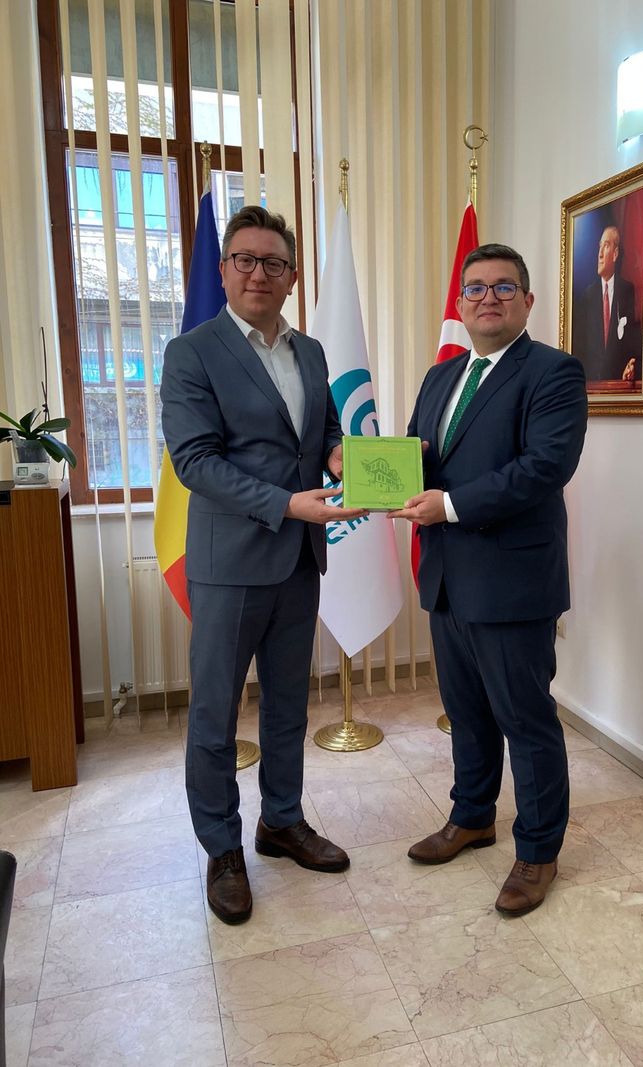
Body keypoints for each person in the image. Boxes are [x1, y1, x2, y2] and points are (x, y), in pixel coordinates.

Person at [161, 206, 365, 925]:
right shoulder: (192, 353)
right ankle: (221, 847)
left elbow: (326, 429)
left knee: (287, 705)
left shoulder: (311, 352)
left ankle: (281, 820)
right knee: (216, 714)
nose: (258, 273)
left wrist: (339, 455)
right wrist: (286, 504)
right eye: (244, 260)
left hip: (299, 562)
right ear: (223, 271)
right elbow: (195, 462)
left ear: (292, 276)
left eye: (273, 262)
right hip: (230, 564)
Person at [390, 244, 587, 916]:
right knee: (467, 714)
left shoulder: (553, 372)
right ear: (461, 303)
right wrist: (374, 473)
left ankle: (538, 851)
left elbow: (544, 467)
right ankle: (472, 816)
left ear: (527, 301)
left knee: (525, 721)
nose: (487, 298)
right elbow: (419, 453)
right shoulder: (441, 376)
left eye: (504, 287)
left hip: (512, 581)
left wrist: (448, 504)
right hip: (447, 575)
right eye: (475, 288)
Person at [571, 224, 639, 382]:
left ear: (615, 254)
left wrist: (630, 367)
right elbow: (580, 347)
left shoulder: (627, 291)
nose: (600, 254)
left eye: (606, 246)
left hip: (618, 384)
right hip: (592, 385)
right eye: (599, 247)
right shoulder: (587, 296)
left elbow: (632, 340)